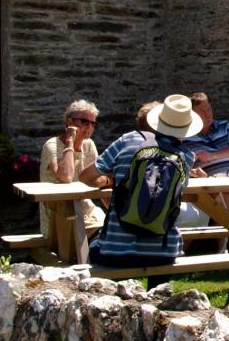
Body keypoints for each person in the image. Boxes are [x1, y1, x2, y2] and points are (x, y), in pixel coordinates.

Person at [78, 95, 205, 281]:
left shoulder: (128, 140)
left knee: (92, 247)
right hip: (165, 251)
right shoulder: (186, 157)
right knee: (158, 262)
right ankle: (158, 299)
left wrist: (110, 180)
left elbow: (85, 176)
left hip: (116, 251)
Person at [39, 99, 104, 246]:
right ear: (70, 122)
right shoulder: (52, 146)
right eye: (84, 122)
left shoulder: (89, 145)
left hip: (86, 212)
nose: (89, 127)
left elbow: (98, 178)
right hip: (59, 216)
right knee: (100, 239)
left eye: (93, 123)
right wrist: (69, 142)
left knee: (111, 230)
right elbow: (66, 177)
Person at [185, 92, 229, 175]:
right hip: (210, 184)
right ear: (193, 114)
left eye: (208, 109)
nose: (207, 114)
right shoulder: (186, 137)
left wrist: (212, 156)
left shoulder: (224, 125)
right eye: (202, 111)